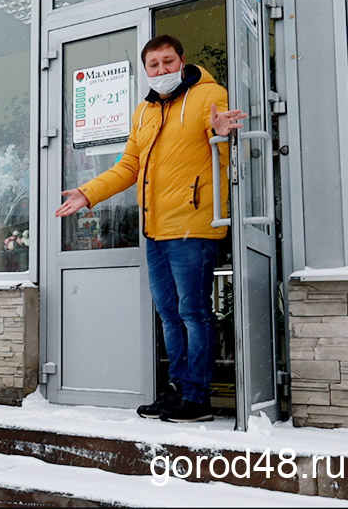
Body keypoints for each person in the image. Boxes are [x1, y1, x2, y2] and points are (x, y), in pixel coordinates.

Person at [55, 35, 247, 423]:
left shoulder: (210, 97)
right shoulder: (143, 112)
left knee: (194, 312)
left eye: (167, 61)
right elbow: (128, 167)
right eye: (154, 65)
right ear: (146, 70)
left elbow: (225, 158)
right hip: (155, 230)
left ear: (182, 60)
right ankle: (177, 391)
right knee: (169, 314)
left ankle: (198, 398)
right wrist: (87, 194)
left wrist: (226, 134)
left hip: (193, 226)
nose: (161, 70)